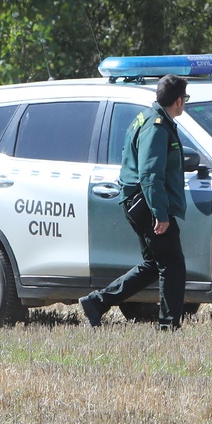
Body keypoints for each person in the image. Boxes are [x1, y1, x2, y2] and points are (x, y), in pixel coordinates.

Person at [77, 74, 190, 330]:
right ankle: (168, 326)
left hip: (140, 202)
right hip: (148, 204)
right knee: (173, 265)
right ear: (179, 101)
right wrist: (160, 213)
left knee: (154, 264)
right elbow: (150, 174)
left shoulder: (150, 118)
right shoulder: (156, 126)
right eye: (186, 98)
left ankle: (97, 303)